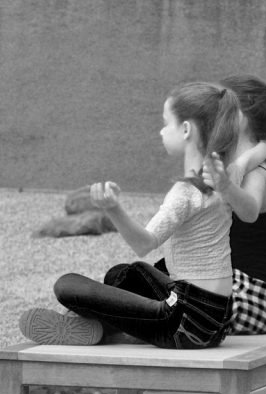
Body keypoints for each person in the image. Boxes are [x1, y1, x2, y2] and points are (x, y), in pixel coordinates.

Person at [19, 81, 242, 349]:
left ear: (185, 130)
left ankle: (95, 327)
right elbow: (250, 208)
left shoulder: (185, 193)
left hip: (183, 326)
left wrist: (112, 208)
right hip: (218, 320)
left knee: (66, 286)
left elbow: (144, 243)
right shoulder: (226, 177)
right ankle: (96, 327)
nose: (161, 131)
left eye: (166, 123)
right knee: (125, 275)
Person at [202, 74, 266, 334]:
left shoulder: (258, 173)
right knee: (150, 278)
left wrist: (227, 184)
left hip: (260, 296)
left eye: (219, 106)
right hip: (247, 286)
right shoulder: (251, 159)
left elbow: (250, 211)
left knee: (178, 302)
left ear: (240, 118)